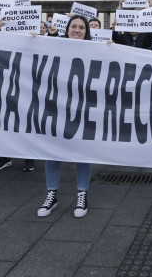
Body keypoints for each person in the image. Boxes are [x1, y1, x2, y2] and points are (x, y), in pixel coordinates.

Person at [37, 15, 94, 218]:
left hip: (82, 110)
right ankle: (52, 194)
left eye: (81, 27)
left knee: (82, 152)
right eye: (73, 27)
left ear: (86, 32)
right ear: (67, 29)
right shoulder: (55, 45)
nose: (77, 30)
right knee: (52, 151)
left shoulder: (95, 51)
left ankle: (82, 194)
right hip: (56, 108)